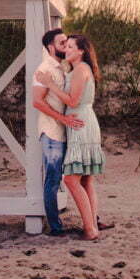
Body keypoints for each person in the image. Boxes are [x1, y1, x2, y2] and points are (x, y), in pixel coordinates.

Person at [35, 34, 106, 241]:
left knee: (71, 179)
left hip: (80, 123)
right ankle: (92, 225)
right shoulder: (78, 69)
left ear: (81, 51)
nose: (67, 49)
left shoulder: (80, 70)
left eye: (71, 47)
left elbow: (73, 101)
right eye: (65, 46)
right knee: (85, 180)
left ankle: (90, 230)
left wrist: (51, 84)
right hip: (85, 122)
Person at [32, 29, 85, 236]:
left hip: (66, 131)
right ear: (51, 47)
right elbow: (37, 102)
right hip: (52, 131)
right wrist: (63, 119)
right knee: (53, 179)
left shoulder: (64, 67)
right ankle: (55, 227)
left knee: (72, 176)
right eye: (62, 43)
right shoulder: (44, 69)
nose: (66, 45)